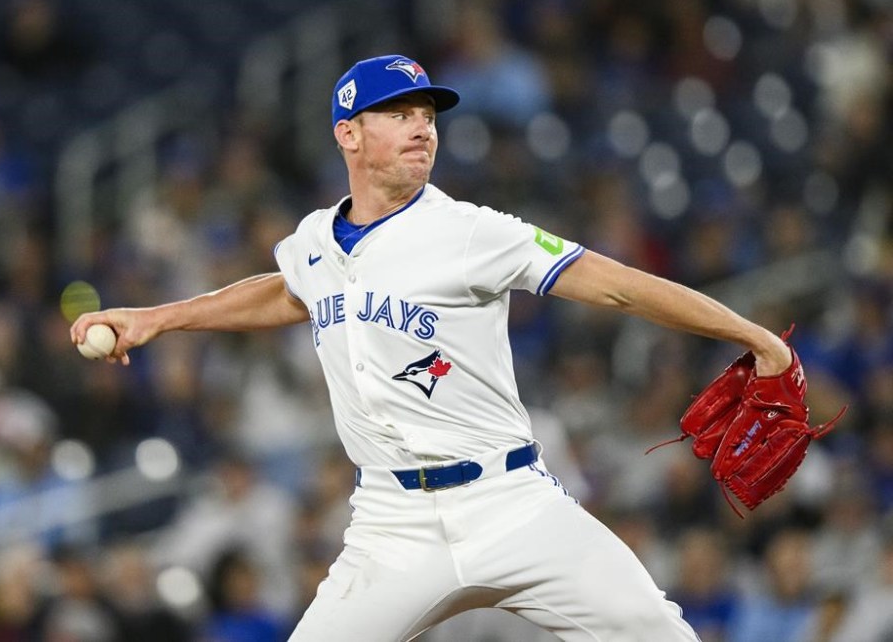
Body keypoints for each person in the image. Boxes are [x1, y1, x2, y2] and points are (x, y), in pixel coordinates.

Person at [72, 54, 794, 641]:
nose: (423, 129)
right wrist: (158, 319)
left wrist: (749, 333)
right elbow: (289, 290)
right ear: (348, 134)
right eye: (399, 115)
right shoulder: (315, 241)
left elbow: (616, 286)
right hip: (391, 524)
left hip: (511, 502)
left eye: (427, 115)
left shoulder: (472, 231)